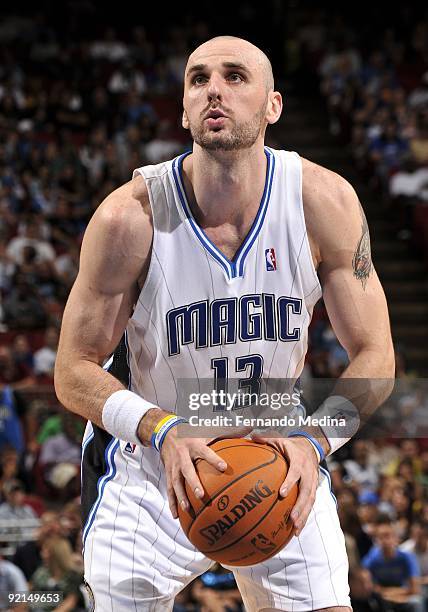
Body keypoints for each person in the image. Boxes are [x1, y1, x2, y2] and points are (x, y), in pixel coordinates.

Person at [54, 36, 395, 610]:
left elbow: (376, 357)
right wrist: (161, 429)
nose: (214, 88)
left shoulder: (323, 202)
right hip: (150, 467)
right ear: (185, 109)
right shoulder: (127, 218)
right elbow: (72, 371)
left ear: (273, 105)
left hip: (276, 455)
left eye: (235, 76)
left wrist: (315, 441)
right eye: (198, 79)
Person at [362, 516, 421, 612]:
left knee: (417, 602)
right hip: (382, 600)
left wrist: (387, 593)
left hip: (403, 598)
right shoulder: (372, 558)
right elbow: (367, 586)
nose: (385, 541)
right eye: (380, 537)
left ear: (396, 538)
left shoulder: (407, 557)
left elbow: (415, 589)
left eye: (387, 536)